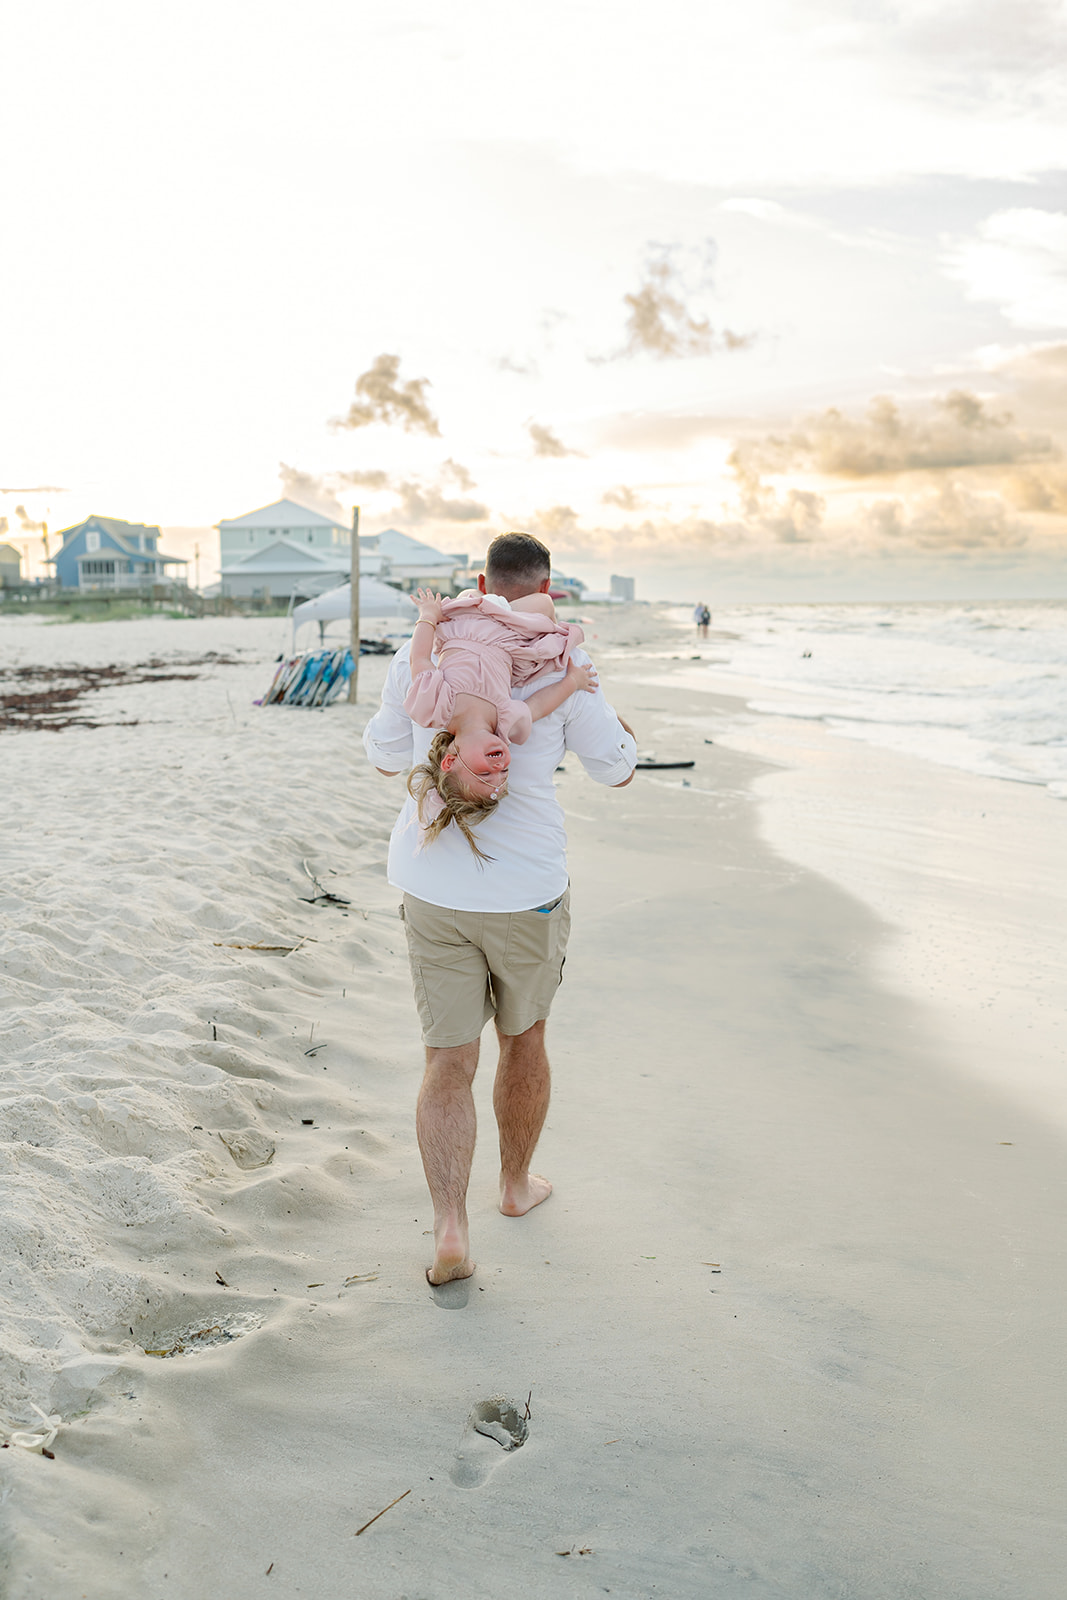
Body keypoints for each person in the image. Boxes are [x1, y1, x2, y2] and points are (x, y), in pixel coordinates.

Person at [363, 532, 637, 1285]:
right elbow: (615, 768)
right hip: (525, 893)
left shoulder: (433, 649)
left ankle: (450, 1228)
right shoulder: (554, 655)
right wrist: (616, 735)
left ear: (481, 582)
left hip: (433, 888)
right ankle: (514, 1189)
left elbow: (386, 755)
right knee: (524, 1038)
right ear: (550, 588)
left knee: (446, 1060)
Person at [403, 585, 598, 858]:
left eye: (485, 774)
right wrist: (572, 682)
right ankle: (506, 600)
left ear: (450, 761)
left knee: (469, 594)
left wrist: (427, 616)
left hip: (463, 628)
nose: (499, 768)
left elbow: (419, 658)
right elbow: (539, 705)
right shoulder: (506, 722)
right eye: (504, 775)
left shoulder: (436, 708)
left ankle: (484, 593)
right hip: (506, 638)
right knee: (543, 603)